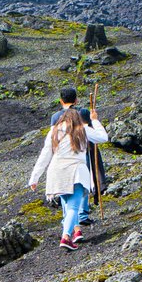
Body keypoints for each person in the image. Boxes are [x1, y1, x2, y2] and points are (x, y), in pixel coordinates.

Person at [29, 102, 107, 251]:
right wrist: (95, 120)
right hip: (76, 172)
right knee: (73, 207)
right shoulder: (82, 129)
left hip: (56, 174)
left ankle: (73, 233)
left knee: (67, 205)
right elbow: (103, 137)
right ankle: (65, 237)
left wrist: (35, 178)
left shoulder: (54, 131)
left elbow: (45, 155)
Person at [53, 86, 106, 220]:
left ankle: (69, 217)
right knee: (83, 181)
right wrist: (94, 118)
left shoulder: (55, 117)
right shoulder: (82, 113)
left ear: (61, 101)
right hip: (81, 152)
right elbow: (91, 131)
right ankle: (82, 214)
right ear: (76, 100)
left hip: (62, 155)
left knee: (66, 183)